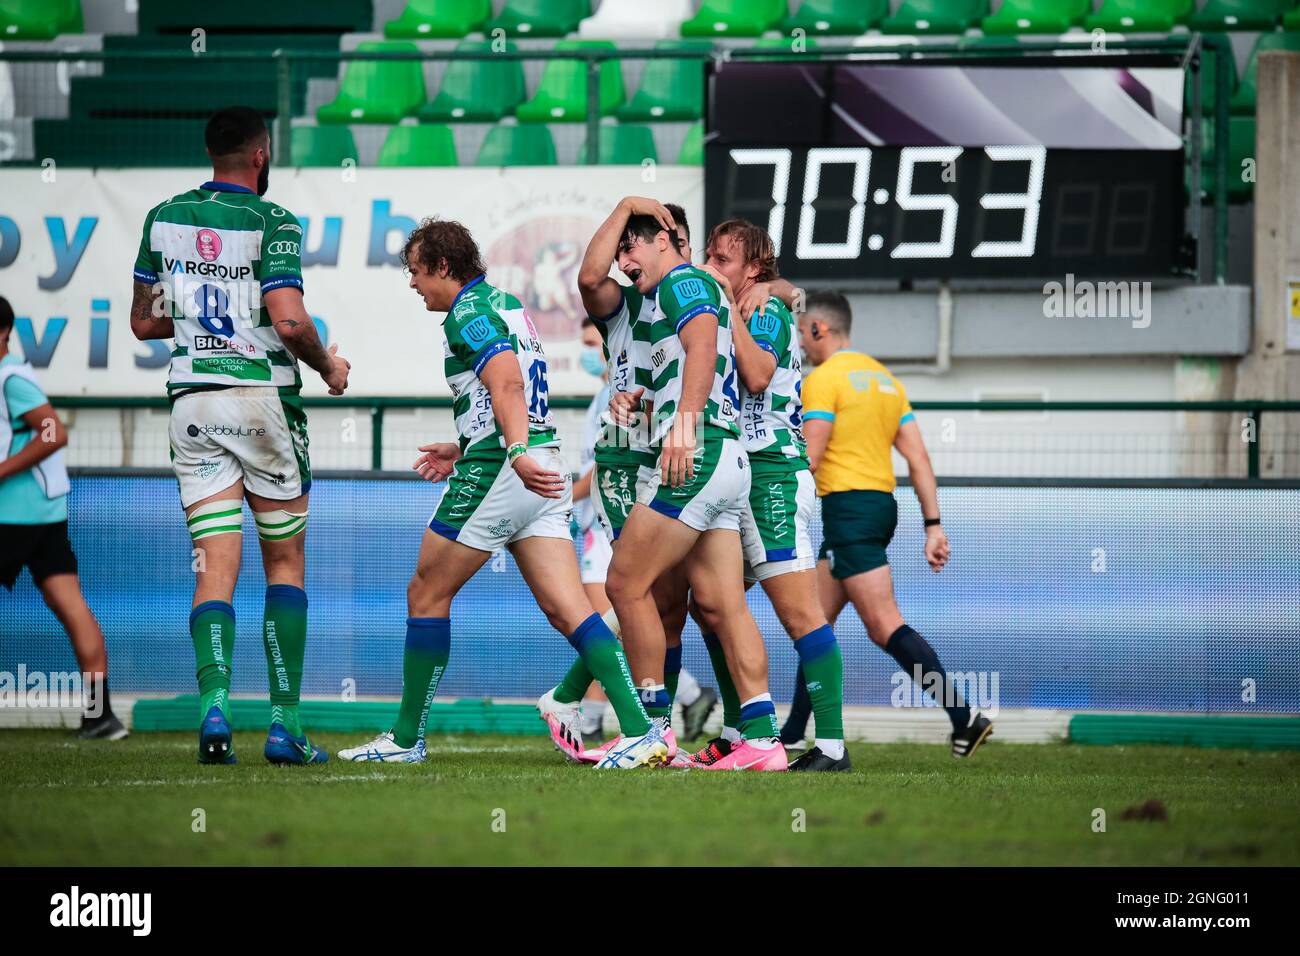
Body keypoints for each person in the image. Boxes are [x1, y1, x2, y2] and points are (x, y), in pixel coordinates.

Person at [337, 218, 666, 769]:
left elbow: (507, 381)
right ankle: (639, 731)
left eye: (417, 272)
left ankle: (404, 738)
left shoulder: (466, 314)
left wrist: (509, 453)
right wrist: (467, 445)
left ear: (443, 266)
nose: (414, 284)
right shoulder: (506, 302)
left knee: (425, 593)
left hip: (507, 468)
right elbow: (509, 394)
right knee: (571, 611)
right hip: (540, 462)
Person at [130, 105, 351, 765]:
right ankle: (284, 727)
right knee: (283, 563)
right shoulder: (273, 220)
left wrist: (203, 325)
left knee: (212, 572)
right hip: (261, 404)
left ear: (211, 152)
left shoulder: (163, 216)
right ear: (261, 154)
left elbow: (144, 323)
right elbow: (288, 322)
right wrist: (329, 364)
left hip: (192, 406)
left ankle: (214, 712)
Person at [601, 207, 786, 772]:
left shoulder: (682, 280)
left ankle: (651, 730)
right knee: (722, 605)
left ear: (663, 242)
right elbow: (699, 361)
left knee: (625, 584)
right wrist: (647, 404)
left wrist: (681, 425)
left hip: (698, 453)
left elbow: (705, 346)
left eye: (631, 250)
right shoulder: (683, 292)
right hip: (726, 458)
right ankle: (762, 738)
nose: (625, 264)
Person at [798, 291, 992, 758]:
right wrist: (933, 525)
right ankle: (789, 733)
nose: (800, 342)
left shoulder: (824, 380)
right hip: (880, 506)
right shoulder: (885, 380)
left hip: (848, 510)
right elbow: (919, 458)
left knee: (884, 625)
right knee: (813, 625)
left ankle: (964, 716)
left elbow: (811, 455)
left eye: (802, 332)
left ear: (820, 330)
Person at [692, 219, 848, 772]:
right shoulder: (750, 304)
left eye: (723, 259)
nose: (712, 266)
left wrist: (763, 297)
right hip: (742, 477)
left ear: (754, 270)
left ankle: (831, 746)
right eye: (708, 255)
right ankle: (742, 730)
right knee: (711, 605)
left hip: (774, 476)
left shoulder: (766, 311)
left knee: (800, 613)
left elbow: (757, 377)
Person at [568, 316, 715, 747]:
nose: (594, 356)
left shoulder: (622, 395)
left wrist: (563, 495)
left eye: (596, 345)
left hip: (609, 523)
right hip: (599, 519)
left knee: (607, 624)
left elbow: (609, 463)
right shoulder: (604, 397)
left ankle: (596, 717)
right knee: (618, 621)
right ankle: (683, 697)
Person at [0, 296, 125, 740]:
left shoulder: (11, 378)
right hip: (43, 512)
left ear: (4, 334)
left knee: (70, 607)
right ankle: (100, 716)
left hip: (15, 513)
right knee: (68, 605)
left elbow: (53, 430)